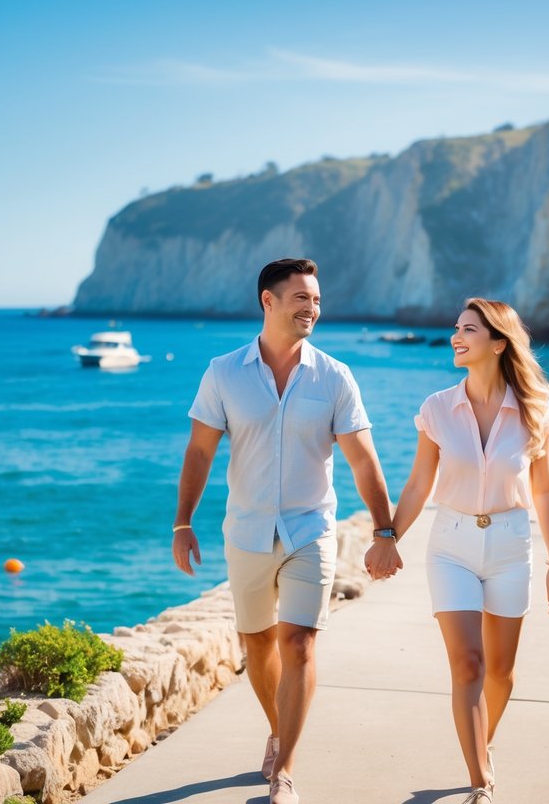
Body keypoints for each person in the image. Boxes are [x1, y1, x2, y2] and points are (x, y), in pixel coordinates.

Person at [172, 258, 395, 804]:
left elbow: (363, 461)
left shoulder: (335, 376)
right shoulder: (223, 372)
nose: (312, 308)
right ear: (268, 302)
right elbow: (200, 450)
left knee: (298, 644)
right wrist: (183, 522)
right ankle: (279, 728)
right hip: (245, 530)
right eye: (301, 298)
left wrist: (385, 531)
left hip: (309, 528)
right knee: (257, 643)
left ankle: (285, 771)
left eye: (316, 300)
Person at [365, 297, 549, 804]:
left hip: (510, 544)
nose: (456, 336)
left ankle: (482, 743)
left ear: (498, 343)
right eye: (456, 328)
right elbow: (417, 485)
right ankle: (480, 782)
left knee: (501, 672)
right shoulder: (436, 408)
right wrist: (386, 536)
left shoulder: (532, 412)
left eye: (469, 329)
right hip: (450, 544)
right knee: (469, 665)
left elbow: (544, 490)